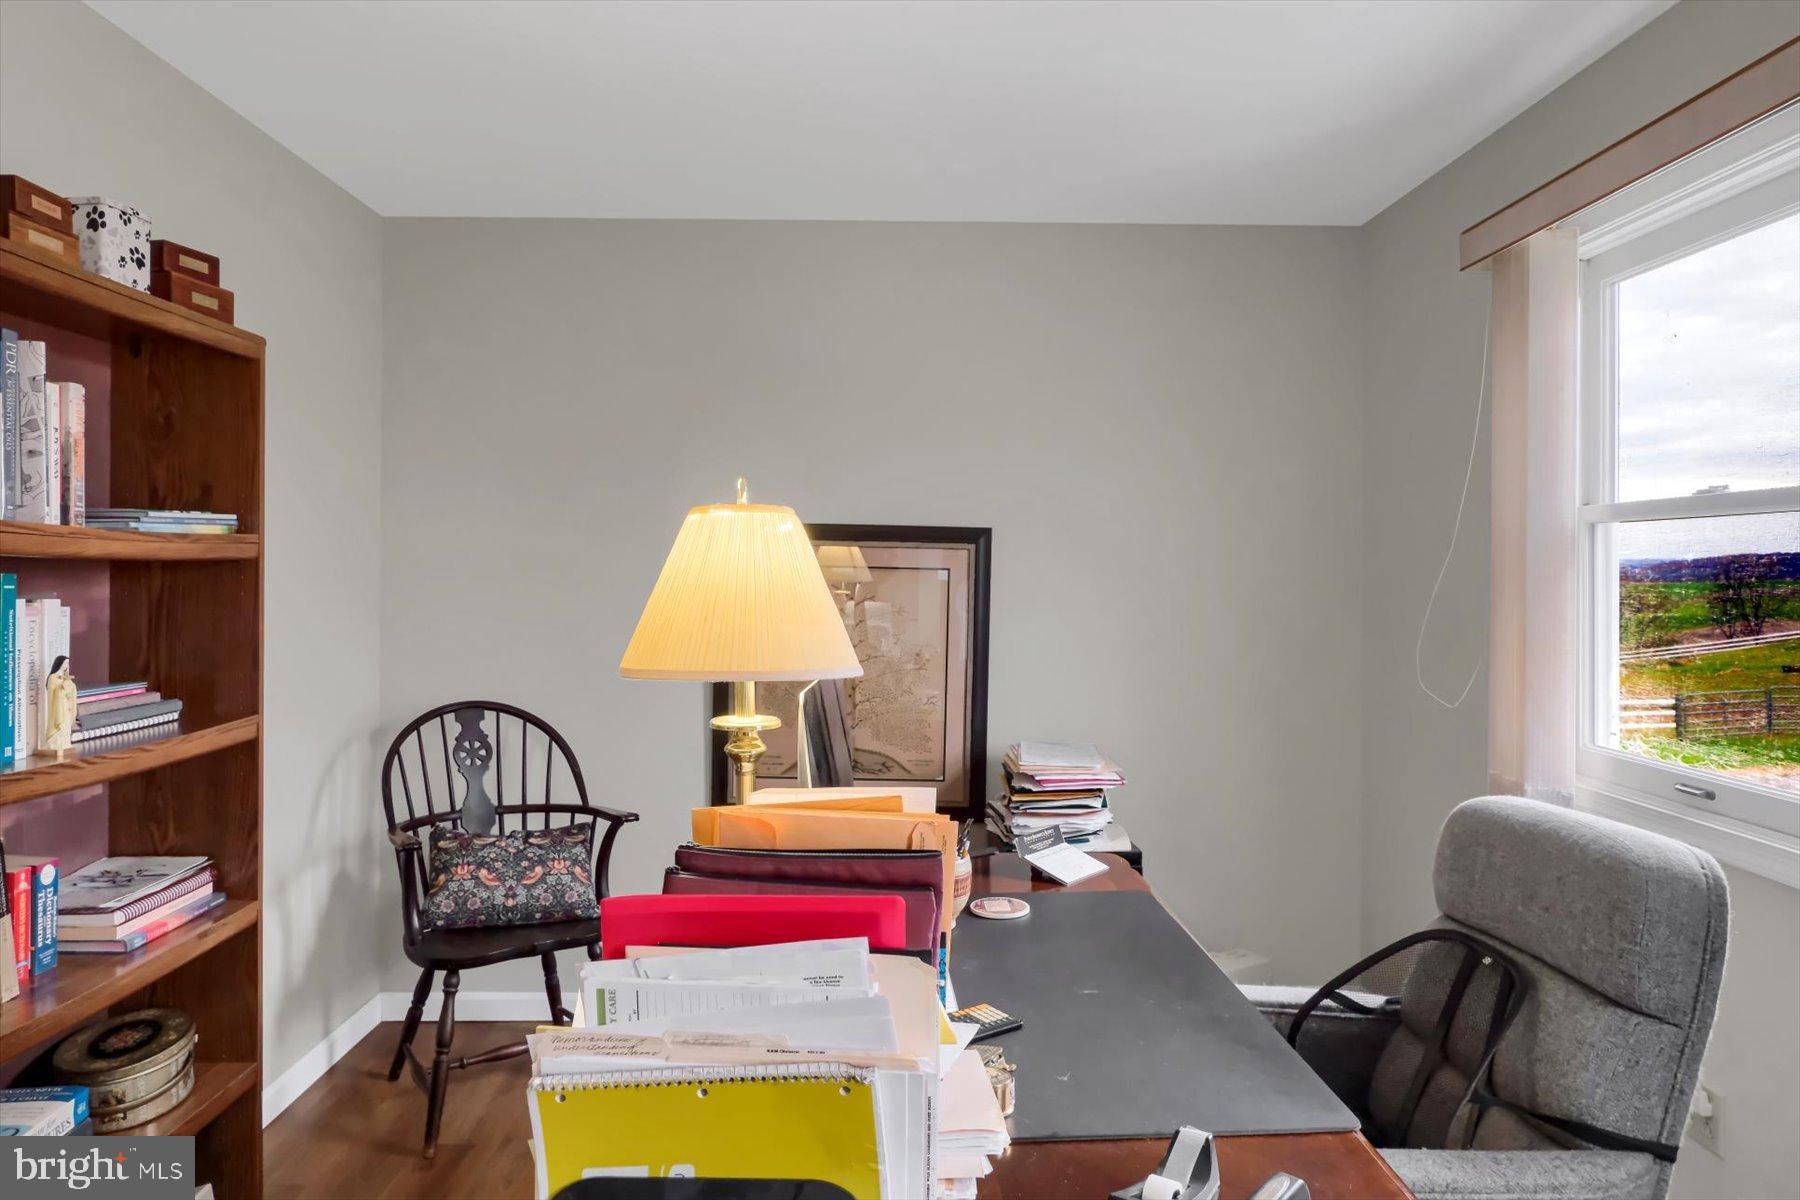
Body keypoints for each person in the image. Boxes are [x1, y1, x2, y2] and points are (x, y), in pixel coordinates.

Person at [41, 654, 76, 757]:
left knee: (65, 725)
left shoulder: (65, 678)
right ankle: (55, 743)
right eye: (65, 663)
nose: (66, 666)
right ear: (59, 664)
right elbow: (56, 692)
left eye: (68, 664)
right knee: (58, 723)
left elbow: (71, 690)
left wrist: (68, 683)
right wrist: (64, 685)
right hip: (57, 708)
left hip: (65, 706)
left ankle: (64, 743)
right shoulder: (53, 678)